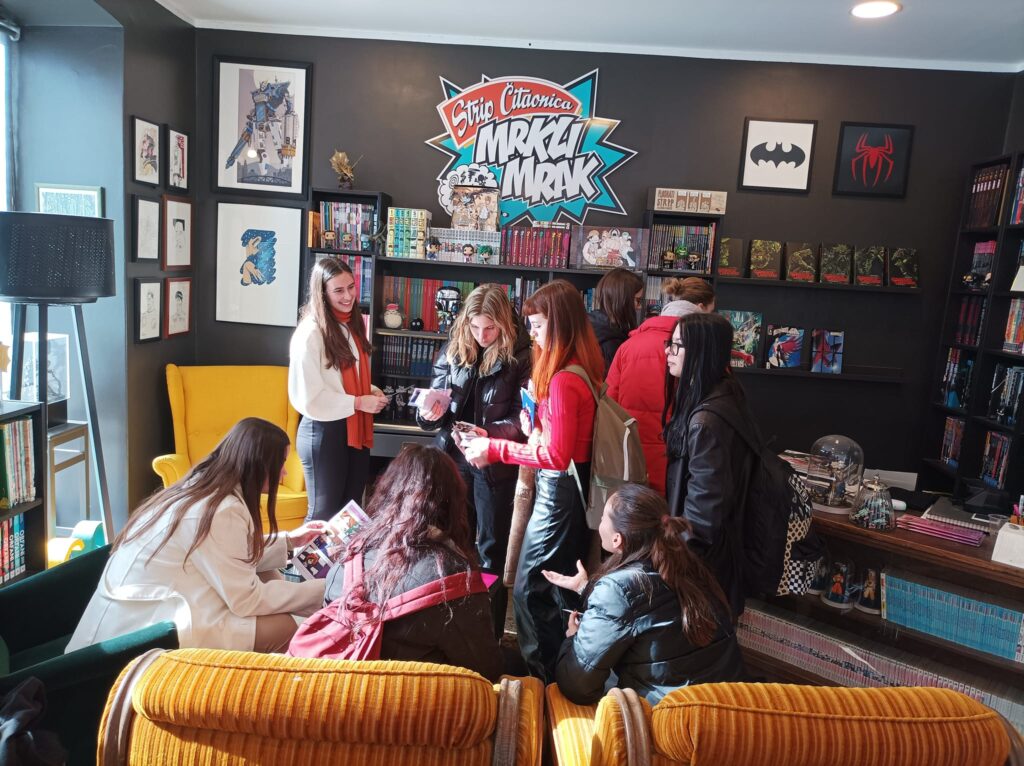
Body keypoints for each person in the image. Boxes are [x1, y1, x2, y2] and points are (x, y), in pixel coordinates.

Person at [65, 418, 328, 654]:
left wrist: (290, 541)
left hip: (141, 609)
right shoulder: (220, 511)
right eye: (281, 464)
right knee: (293, 626)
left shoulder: (200, 489)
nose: (284, 473)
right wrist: (327, 590)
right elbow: (246, 599)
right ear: (259, 465)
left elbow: (229, 554)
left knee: (270, 577)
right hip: (148, 628)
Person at [463, 279, 604, 681]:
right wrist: (535, 425)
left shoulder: (563, 380)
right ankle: (556, 672)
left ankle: (539, 679)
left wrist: (495, 448)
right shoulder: (581, 368)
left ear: (559, 326)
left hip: (559, 493)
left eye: (539, 326)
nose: (533, 335)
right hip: (571, 491)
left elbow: (557, 456)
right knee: (553, 586)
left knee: (530, 589)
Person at [545, 484, 744, 705]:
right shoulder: (689, 564)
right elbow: (647, 610)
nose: (600, 522)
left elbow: (578, 684)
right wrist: (585, 588)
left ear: (617, 539)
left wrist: (573, 639)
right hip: (726, 703)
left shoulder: (618, 589)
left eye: (602, 518)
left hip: (670, 715)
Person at [318, 445, 504, 680]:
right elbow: (486, 669)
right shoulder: (454, 578)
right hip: (413, 697)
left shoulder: (347, 560)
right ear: (453, 502)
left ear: (387, 492)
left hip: (345, 690)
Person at [416, 284, 531, 636]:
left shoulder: (521, 355)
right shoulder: (453, 348)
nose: (482, 336)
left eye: (491, 328)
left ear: (505, 324)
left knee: (492, 550)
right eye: (476, 327)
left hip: (493, 462)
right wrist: (429, 413)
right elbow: (430, 413)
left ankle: (490, 634)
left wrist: (486, 433)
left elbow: (523, 420)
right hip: (451, 459)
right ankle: (448, 630)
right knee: (447, 543)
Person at [663, 311, 756, 618]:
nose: (668, 352)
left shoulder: (706, 421)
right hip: (721, 552)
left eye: (677, 345)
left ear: (701, 352)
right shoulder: (726, 393)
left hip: (704, 563)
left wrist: (674, 562)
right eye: (669, 343)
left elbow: (702, 513)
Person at [289, 258, 387, 522]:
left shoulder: (351, 325)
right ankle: (300, 554)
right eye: (338, 290)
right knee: (323, 516)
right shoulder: (310, 333)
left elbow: (342, 380)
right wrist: (358, 402)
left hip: (354, 427)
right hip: (323, 431)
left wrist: (370, 391)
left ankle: (343, 555)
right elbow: (308, 397)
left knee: (350, 515)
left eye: (351, 287)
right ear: (322, 293)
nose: (348, 296)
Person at [606, 277, 716, 493]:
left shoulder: (628, 346)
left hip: (630, 458)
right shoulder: (703, 348)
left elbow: (609, 404)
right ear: (701, 307)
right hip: (681, 462)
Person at [587, 268, 644, 372]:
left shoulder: (592, 323)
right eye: (638, 300)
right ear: (623, 299)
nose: (639, 307)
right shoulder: (611, 341)